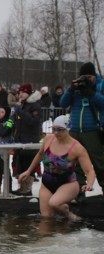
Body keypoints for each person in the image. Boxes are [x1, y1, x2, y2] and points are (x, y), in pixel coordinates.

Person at [17, 115, 95, 220]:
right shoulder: (48, 139)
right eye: (53, 129)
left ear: (68, 129)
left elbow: (89, 170)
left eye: (60, 130)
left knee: (54, 203)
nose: (56, 133)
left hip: (68, 184)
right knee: (46, 218)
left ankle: (68, 213)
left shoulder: (77, 148)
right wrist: (28, 171)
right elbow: (40, 154)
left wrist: (89, 184)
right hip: (47, 184)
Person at [59, 61, 104, 203]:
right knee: (74, 163)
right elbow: (63, 103)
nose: (86, 79)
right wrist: (71, 90)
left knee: (99, 163)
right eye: (83, 76)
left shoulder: (100, 85)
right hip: (75, 131)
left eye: (89, 76)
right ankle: (79, 192)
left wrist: (91, 93)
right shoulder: (76, 88)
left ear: (94, 76)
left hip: (93, 130)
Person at [11, 82, 42, 196]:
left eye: (23, 92)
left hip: (30, 140)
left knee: (29, 165)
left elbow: (34, 122)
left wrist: (21, 112)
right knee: (20, 164)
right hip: (20, 140)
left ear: (29, 93)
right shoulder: (22, 105)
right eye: (19, 92)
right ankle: (22, 188)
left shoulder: (35, 105)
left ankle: (27, 189)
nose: (20, 94)